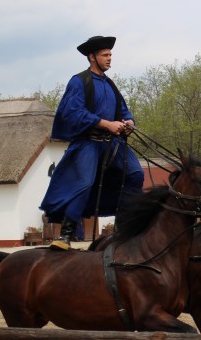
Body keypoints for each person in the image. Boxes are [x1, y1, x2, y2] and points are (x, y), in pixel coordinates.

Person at [40, 35, 144, 250]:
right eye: (105, 55)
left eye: (110, 55)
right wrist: (106, 124)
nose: (109, 59)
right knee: (84, 183)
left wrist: (129, 122)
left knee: (135, 174)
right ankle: (66, 236)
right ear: (92, 57)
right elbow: (72, 113)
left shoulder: (110, 84)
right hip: (88, 143)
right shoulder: (79, 81)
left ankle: (123, 231)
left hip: (112, 144)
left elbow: (123, 110)